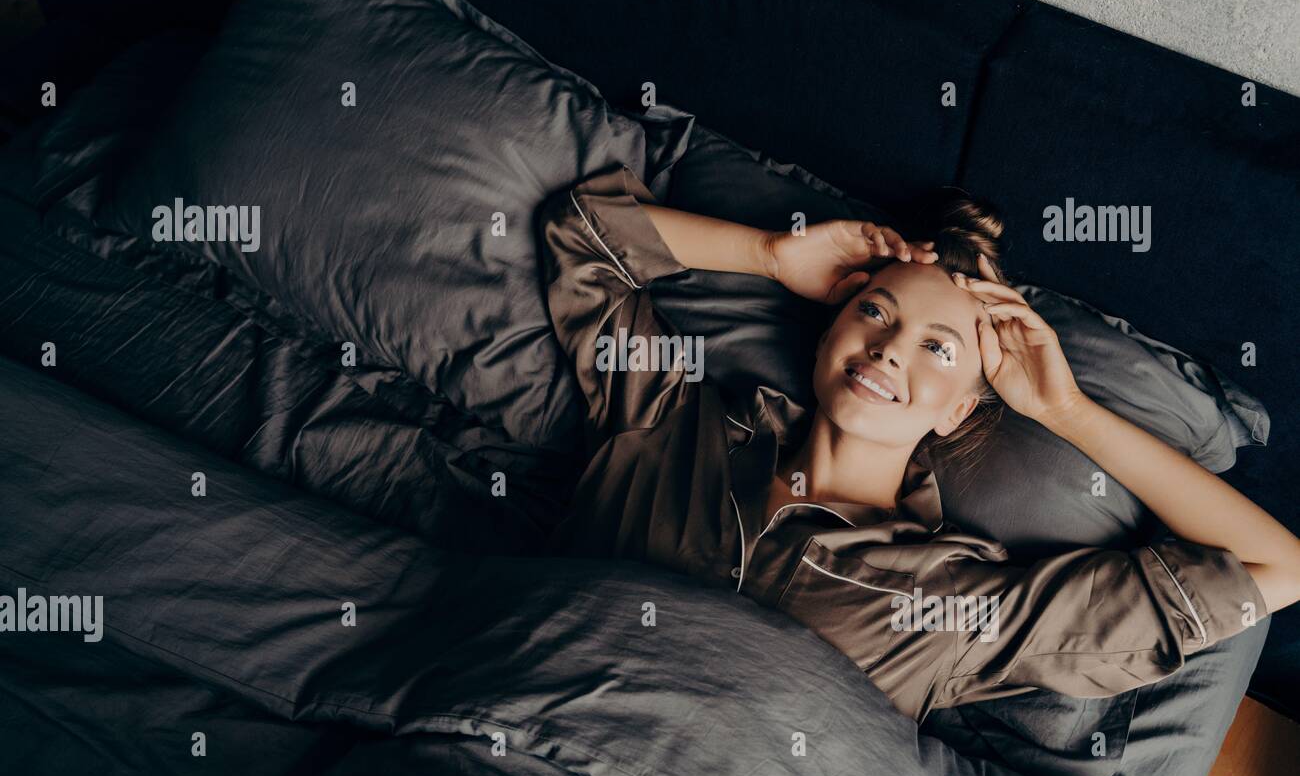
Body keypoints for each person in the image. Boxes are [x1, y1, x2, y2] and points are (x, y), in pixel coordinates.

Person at [536, 161, 1299, 724]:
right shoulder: (670, 421)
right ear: (830, 325)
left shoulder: (954, 607)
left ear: (960, 410)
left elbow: (1281, 565)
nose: (892, 348)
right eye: (875, 312)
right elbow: (585, 235)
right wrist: (772, 253)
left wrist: (1066, 410)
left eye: (938, 348)